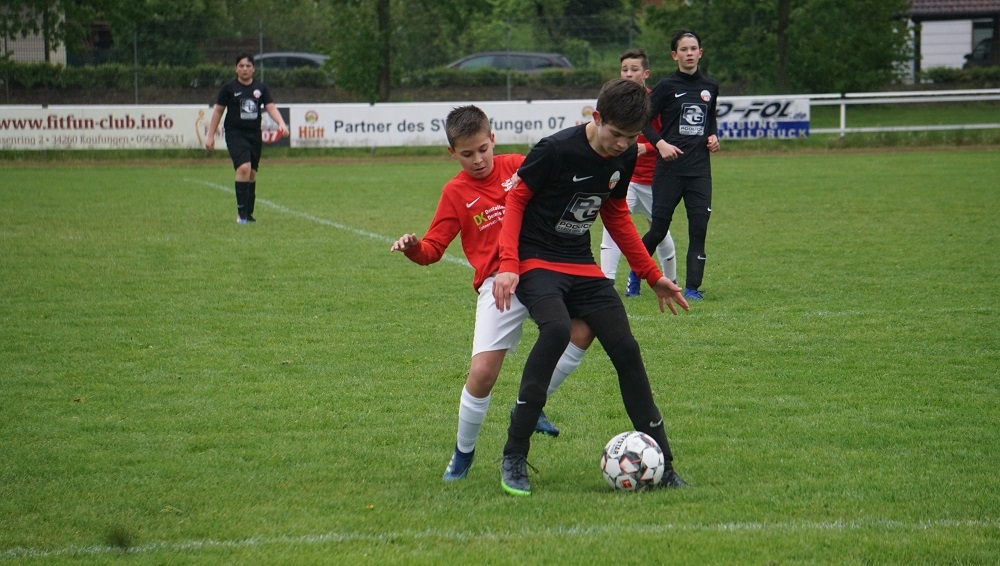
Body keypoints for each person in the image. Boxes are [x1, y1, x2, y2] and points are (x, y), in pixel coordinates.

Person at [492, 79, 690, 496]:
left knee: (626, 348)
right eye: (615, 134)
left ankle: (666, 466)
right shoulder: (555, 149)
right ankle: (514, 454)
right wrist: (509, 264)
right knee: (557, 330)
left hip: (580, 264)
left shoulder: (627, 155)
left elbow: (615, 214)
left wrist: (651, 274)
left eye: (631, 138)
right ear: (596, 117)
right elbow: (516, 201)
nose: (622, 144)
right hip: (537, 259)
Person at [390, 105, 594, 482]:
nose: (478, 160)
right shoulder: (454, 192)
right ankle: (462, 453)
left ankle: (530, 406)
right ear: (452, 153)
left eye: (483, 149)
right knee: (482, 373)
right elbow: (433, 249)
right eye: (467, 154)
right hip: (497, 283)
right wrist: (414, 247)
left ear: (493, 139)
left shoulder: (517, 165)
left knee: (582, 330)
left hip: (541, 269)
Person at [641, 29, 720, 300]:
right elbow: (643, 120)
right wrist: (660, 144)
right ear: (675, 55)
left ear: (700, 52)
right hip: (669, 171)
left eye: (693, 48)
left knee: (698, 230)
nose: (689, 53)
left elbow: (710, 119)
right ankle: (636, 274)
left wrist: (713, 136)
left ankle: (692, 289)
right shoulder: (666, 86)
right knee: (658, 229)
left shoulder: (710, 86)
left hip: (699, 172)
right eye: (683, 49)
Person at [599, 48, 677, 297]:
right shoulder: (615, 102)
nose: (628, 74)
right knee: (612, 226)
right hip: (627, 179)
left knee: (660, 232)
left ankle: (671, 280)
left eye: (634, 69)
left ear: (646, 73)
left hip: (655, 180)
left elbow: (671, 136)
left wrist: (648, 147)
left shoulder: (656, 101)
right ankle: (607, 283)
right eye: (624, 70)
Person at [206, 53, 289, 224]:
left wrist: (281, 123)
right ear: (236, 69)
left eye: (248, 66)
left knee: (251, 173)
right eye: (241, 66)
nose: (245, 69)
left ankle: (248, 215)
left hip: (254, 134)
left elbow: (271, 108)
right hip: (235, 133)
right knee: (244, 168)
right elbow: (218, 111)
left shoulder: (261, 88)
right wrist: (210, 136)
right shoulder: (229, 88)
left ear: (253, 69)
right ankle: (241, 215)